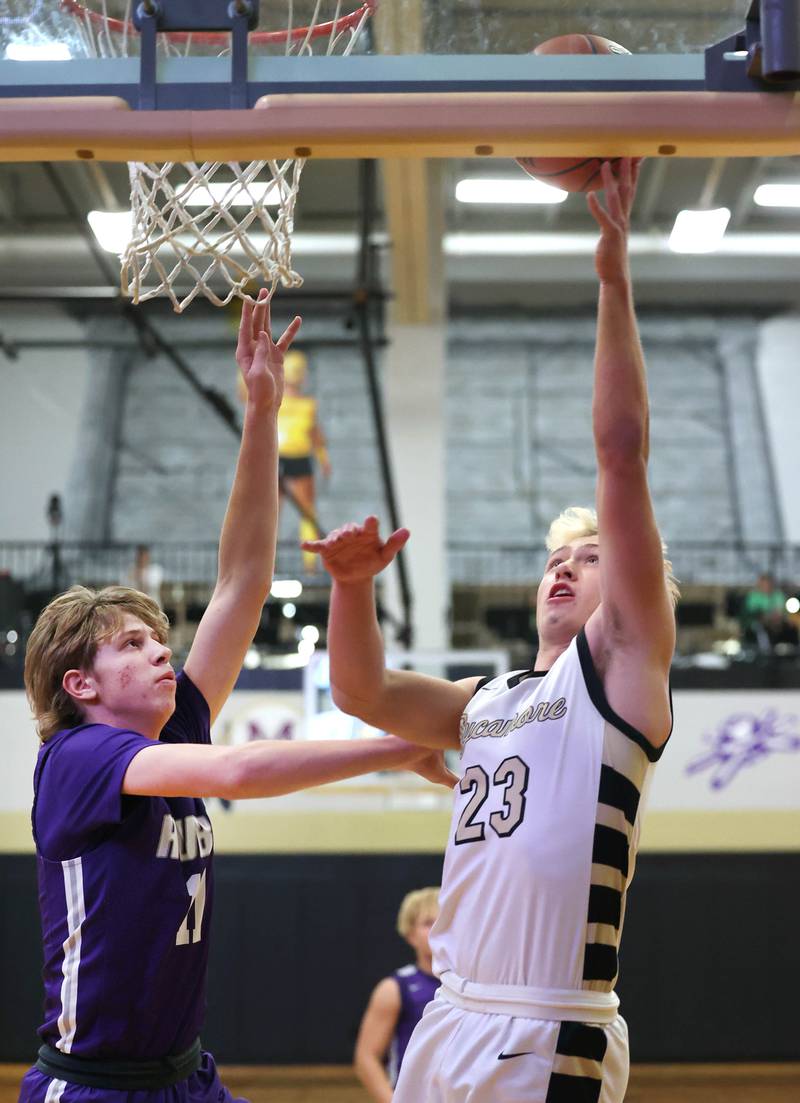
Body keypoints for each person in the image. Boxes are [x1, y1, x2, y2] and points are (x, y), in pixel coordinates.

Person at [303, 159, 679, 1103]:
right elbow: (363, 694)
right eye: (557, 556)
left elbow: (620, 453)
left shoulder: (623, 672)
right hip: (450, 1014)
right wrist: (350, 589)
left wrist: (610, 274)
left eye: (590, 558)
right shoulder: (494, 700)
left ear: (629, 591)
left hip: (547, 1024)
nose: (565, 565)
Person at [18, 290, 453, 1103]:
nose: (161, 652)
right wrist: (399, 746)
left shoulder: (168, 722)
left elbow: (244, 581)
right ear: (79, 685)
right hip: (93, 1088)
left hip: (184, 1077)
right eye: (132, 645)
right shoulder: (74, 758)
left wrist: (261, 411)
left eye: (158, 639)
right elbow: (243, 771)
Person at [354, 887, 440, 1102]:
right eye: (429, 923)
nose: (438, 930)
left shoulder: (475, 986)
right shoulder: (394, 988)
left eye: (444, 922)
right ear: (410, 934)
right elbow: (366, 1058)